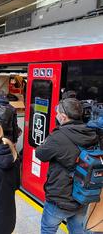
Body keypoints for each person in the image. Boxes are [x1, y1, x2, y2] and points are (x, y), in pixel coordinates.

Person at [35, 98, 98, 234]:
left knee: (48, 229)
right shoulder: (91, 133)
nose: (56, 115)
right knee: (77, 229)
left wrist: (47, 141)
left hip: (60, 197)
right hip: (82, 195)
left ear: (63, 117)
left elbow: (40, 154)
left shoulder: (58, 137)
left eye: (57, 113)